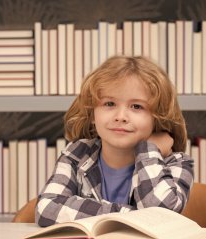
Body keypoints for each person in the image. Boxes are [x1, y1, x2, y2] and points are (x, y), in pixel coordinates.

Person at [35, 55, 194, 227]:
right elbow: (47, 209)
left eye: (136, 106)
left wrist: (149, 150)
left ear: (157, 117)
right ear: (92, 113)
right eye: (109, 103)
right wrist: (131, 216)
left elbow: (161, 217)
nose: (120, 117)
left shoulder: (177, 164)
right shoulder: (76, 154)